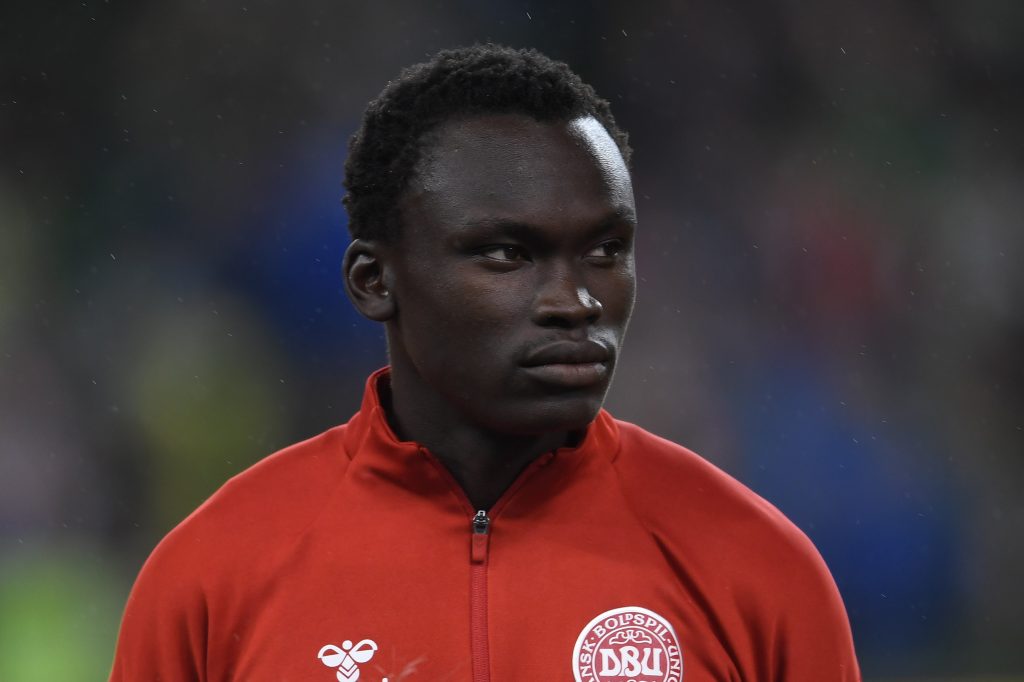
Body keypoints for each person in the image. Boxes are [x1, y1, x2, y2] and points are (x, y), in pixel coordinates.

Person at [110, 44, 860, 682]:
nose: (575, 301)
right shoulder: (212, 582)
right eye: (507, 254)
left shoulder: (758, 572)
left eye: (605, 250)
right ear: (374, 281)